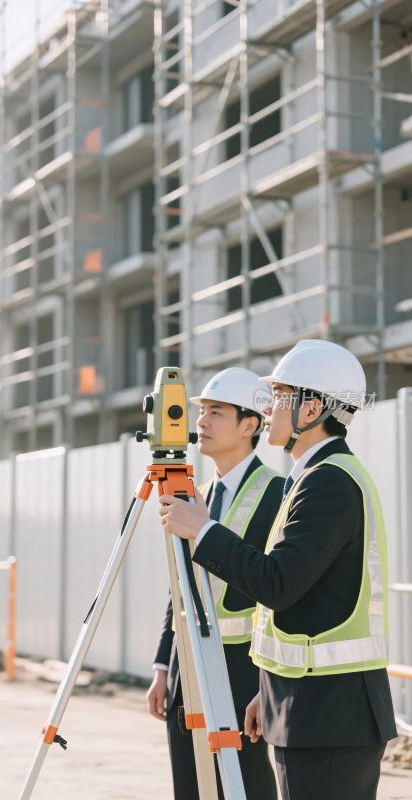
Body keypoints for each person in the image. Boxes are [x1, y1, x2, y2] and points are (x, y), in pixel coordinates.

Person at [158, 340, 397, 800]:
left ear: (311, 409)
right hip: (310, 710)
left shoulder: (329, 481)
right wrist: (268, 692)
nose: (269, 406)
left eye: (281, 395)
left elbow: (277, 584)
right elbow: (307, 601)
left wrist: (203, 531)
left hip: (332, 720)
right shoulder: (311, 477)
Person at [147, 367, 282, 800]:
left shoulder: (278, 491)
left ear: (250, 425)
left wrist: (267, 681)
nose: (201, 421)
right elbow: (180, 585)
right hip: (189, 663)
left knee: (243, 785)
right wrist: (162, 666)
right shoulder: (196, 493)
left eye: (216, 412)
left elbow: (281, 588)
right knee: (189, 782)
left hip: (244, 668)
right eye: (202, 410)